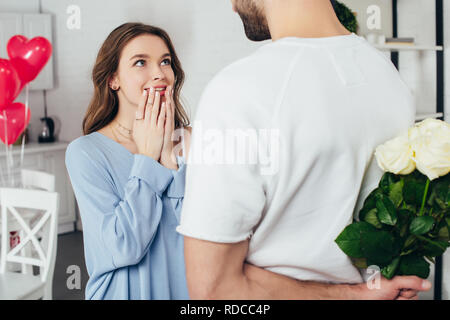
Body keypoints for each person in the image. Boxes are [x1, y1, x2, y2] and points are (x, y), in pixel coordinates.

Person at [176, 0, 432, 299]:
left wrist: (353, 296)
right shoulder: (390, 79)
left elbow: (212, 291)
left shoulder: (239, 91)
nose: (233, 7)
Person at [65, 22, 191, 299]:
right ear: (113, 79)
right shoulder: (85, 153)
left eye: (165, 61)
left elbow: (195, 237)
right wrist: (148, 158)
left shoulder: (190, 142)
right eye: (140, 62)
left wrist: (169, 158)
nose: (158, 73)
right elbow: (124, 246)